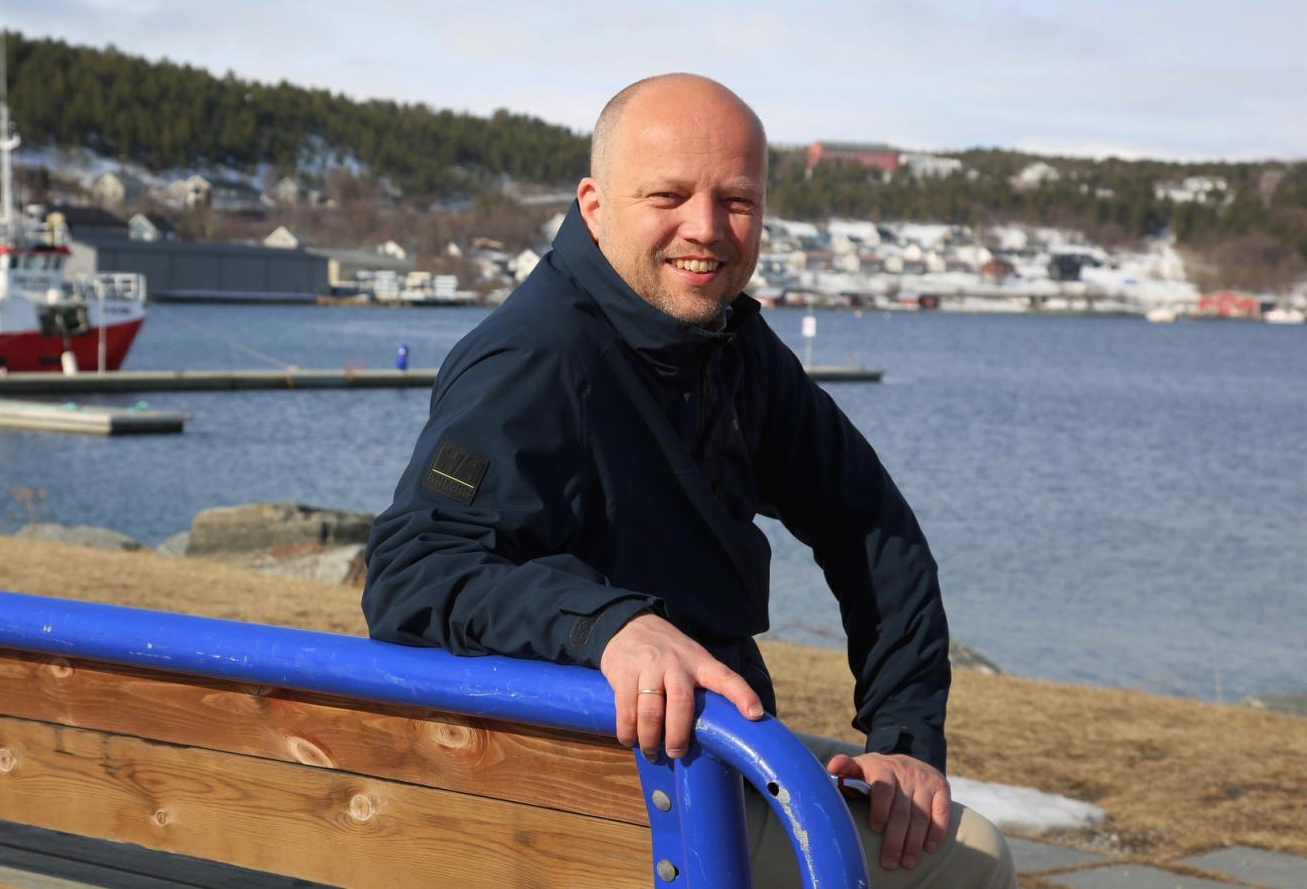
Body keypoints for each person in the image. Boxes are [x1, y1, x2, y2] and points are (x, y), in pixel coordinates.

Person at [362, 74, 1015, 887]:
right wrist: (610, 627)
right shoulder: (536, 358)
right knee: (974, 862)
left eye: (736, 201)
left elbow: (869, 525)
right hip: (572, 785)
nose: (705, 229)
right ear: (595, 205)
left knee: (932, 831)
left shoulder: (726, 346)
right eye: (668, 195)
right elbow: (415, 569)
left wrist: (903, 741)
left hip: (701, 751)